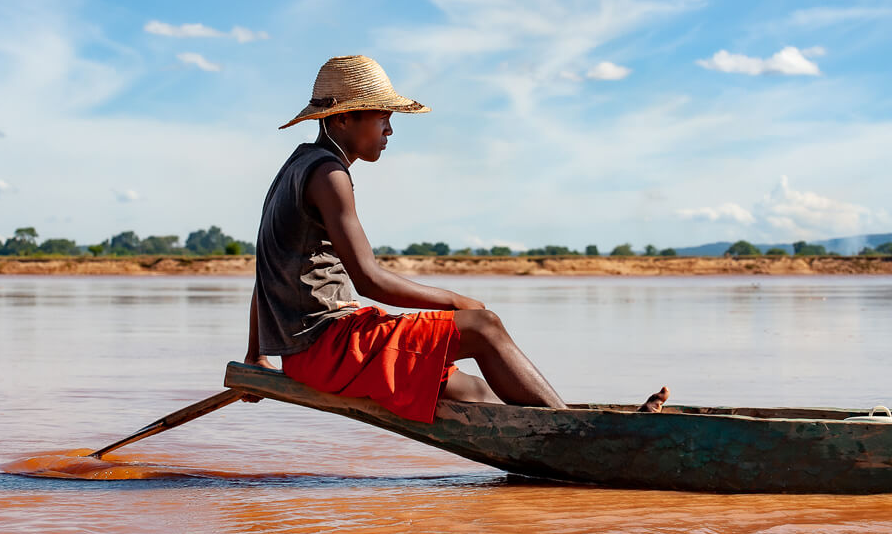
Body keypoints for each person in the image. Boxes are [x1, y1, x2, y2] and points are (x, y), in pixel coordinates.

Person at [243, 55, 668, 422]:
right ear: (342, 118)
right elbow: (369, 279)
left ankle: (560, 427)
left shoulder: (297, 166)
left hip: (317, 348)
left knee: (471, 391)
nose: (390, 129)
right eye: (381, 117)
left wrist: (255, 355)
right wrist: (455, 302)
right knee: (483, 327)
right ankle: (579, 432)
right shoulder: (329, 174)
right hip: (328, 349)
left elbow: (268, 269)